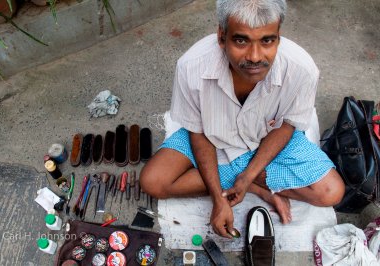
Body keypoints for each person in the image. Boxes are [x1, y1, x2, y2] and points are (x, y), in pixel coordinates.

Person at [140, 0, 345, 239]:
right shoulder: (191, 66)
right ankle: (262, 189)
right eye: (241, 40)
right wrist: (218, 198)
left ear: (278, 37)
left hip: (269, 138)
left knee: (331, 192)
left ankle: (247, 181)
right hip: (210, 138)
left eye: (267, 40)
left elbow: (287, 126)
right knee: (153, 182)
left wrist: (246, 177)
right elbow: (197, 133)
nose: (255, 56)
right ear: (221, 36)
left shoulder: (302, 69)